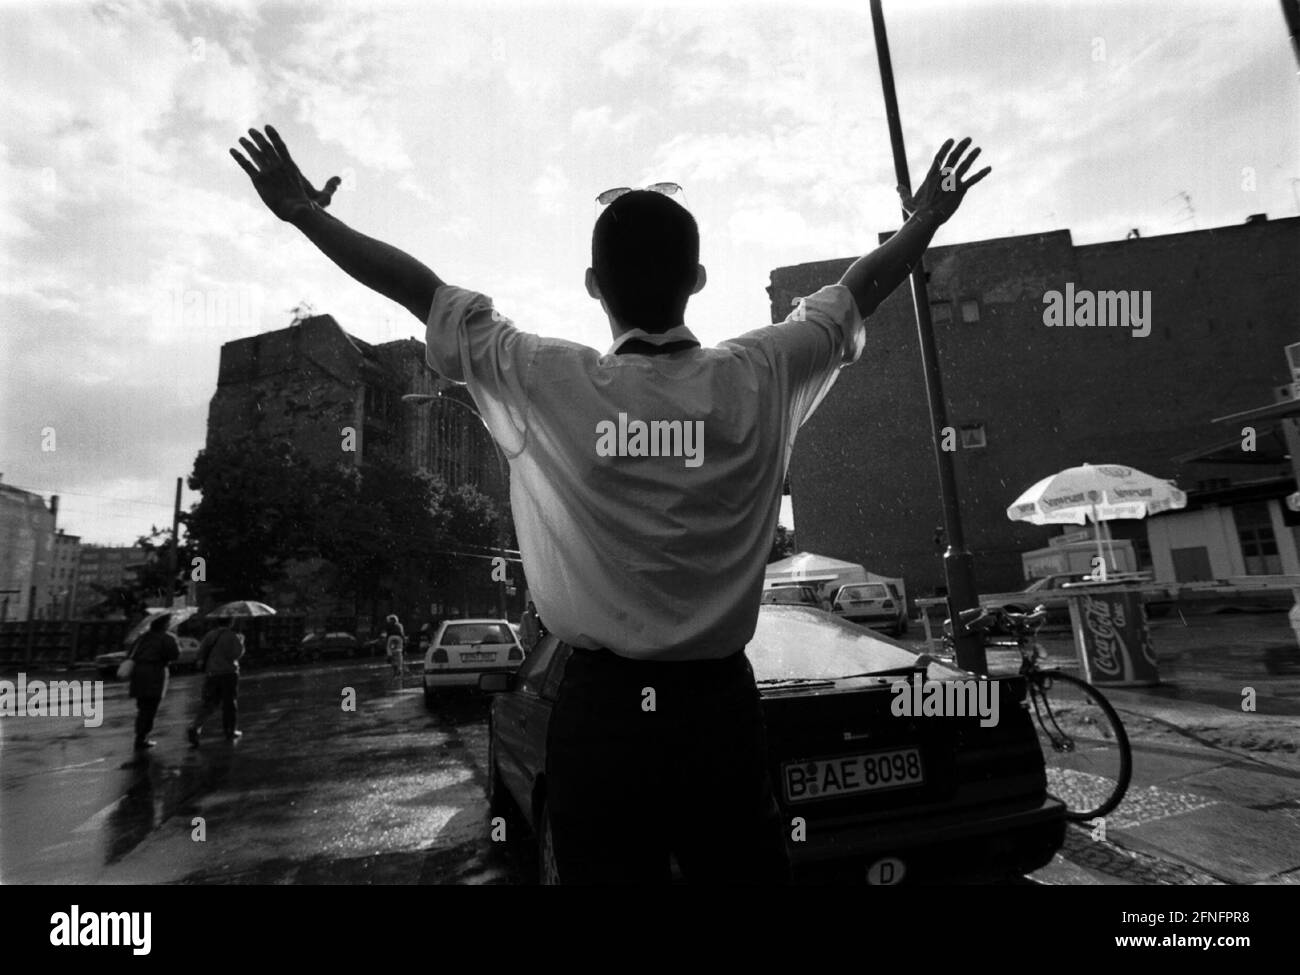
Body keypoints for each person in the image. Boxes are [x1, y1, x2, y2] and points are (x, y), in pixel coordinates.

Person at [231, 126, 988, 883]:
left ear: (594, 283)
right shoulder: (760, 373)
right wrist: (924, 220)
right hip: (718, 712)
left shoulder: (544, 378)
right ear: (696, 278)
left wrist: (306, 213)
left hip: (601, 716)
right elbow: (858, 293)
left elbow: (419, 291)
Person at [187, 617, 245, 746]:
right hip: (228, 673)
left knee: (209, 702)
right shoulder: (232, 636)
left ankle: (196, 726)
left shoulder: (210, 635)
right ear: (231, 622)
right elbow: (236, 654)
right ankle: (230, 730)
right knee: (229, 703)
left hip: (212, 673)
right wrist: (241, 642)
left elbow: (201, 653)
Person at [128, 613, 180, 750]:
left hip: (138, 673)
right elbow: (175, 655)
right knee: (150, 707)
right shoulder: (168, 638)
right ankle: (142, 737)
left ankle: (140, 735)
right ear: (165, 624)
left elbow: (130, 653)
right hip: (155, 674)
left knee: (142, 706)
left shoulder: (141, 637)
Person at [382, 613, 406, 683]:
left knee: (389, 648)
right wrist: (404, 641)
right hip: (399, 638)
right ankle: (400, 668)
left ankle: (389, 656)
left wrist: (386, 641)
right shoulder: (400, 625)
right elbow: (402, 633)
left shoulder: (388, 625)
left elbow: (387, 633)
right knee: (399, 652)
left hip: (391, 637)